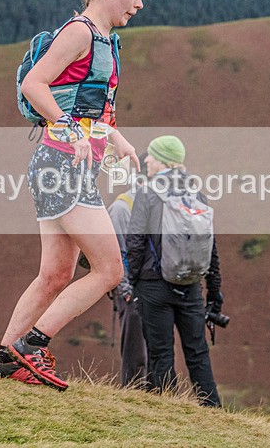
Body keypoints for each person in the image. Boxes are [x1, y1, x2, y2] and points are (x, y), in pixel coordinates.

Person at [0, 0, 145, 391]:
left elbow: (92, 108)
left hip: (64, 166)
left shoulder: (107, 41)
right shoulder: (80, 32)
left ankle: (5, 359)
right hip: (60, 165)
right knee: (110, 270)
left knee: (55, 275)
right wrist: (69, 128)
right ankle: (31, 345)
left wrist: (117, 139)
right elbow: (33, 84)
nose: (139, 3)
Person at [126, 136, 224, 407]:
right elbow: (210, 247)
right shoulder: (196, 192)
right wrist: (214, 290)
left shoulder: (147, 193)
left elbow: (134, 242)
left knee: (160, 353)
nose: (146, 160)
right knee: (198, 353)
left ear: (163, 160)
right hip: (191, 284)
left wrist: (133, 282)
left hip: (153, 285)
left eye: (152, 156)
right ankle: (213, 411)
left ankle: (165, 410)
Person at [106, 153, 148, 388]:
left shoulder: (155, 207)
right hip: (130, 290)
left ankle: (154, 396)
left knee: (155, 348)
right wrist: (126, 291)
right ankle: (134, 393)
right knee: (136, 350)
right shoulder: (122, 208)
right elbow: (117, 252)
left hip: (151, 287)